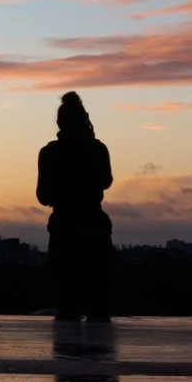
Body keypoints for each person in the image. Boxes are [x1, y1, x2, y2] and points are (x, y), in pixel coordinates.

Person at [36, 91, 114, 321]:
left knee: (66, 297)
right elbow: (106, 181)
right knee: (97, 296)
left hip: (64, 226)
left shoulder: (49, 152)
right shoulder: (98, 149)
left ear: (59, 122)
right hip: (93, 225)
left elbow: (42, 195)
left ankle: (67, 354)